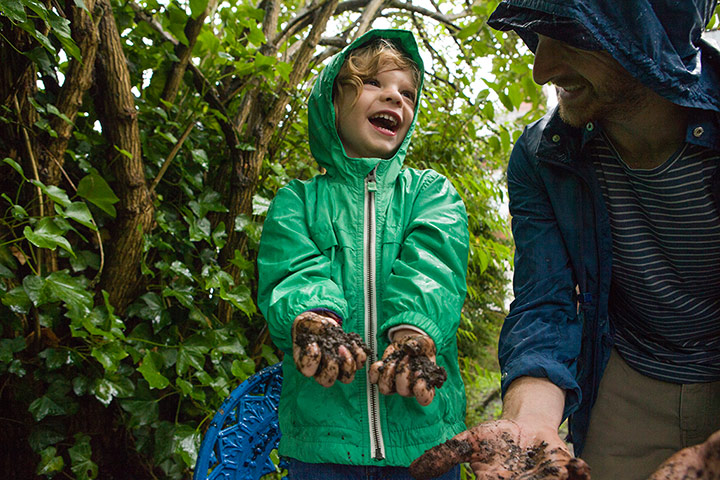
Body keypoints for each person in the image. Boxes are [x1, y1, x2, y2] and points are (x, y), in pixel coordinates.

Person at [410, 1, 720, 480]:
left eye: (571, 34)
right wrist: (530, 421)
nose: (541, 70)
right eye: (538, 37)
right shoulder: (542, 157)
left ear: (654, 34)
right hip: (631, 376)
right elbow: (545, 301)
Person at [257, 29, 470, 480]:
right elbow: (292, 273)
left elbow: (434, 267)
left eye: (408, 93)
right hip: (321, 443)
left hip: (422, 437)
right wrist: (314, 323)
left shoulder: (432, 194)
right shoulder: (297, 202)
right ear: (332, 102)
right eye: (374, 83)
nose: (395, 97)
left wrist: (415, 338)